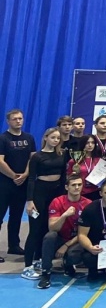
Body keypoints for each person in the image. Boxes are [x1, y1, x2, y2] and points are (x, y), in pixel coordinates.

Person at [23, 128, 66, 278]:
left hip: (55, 194)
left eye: (58, 138)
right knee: (35, 230)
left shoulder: (61, 154)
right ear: (46, 138)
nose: (56, 140)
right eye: (53, 137)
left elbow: (63, 177)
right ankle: (27, 266)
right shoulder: (37, 156)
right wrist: (29, 201)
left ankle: (39, 259)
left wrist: (62, 198)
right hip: (40, 193)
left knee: (47, 229)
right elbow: (31, 179)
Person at [0, 109, 36, 260]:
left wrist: (26, 174)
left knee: (16, 216)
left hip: (22, 183)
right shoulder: (3, 138)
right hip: (5, 184)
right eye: (15, 119)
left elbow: (32, 158)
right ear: (8, 121)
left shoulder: (29, 138)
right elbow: (0, 161)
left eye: (20, 118)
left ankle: (14, 245)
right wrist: (13, 176)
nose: (18, 121)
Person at [67, 136, 102, 201]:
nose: (90, 145)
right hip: (80, 192)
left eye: (92, 143)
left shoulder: (98, 160)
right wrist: (73, 174)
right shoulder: (74, 160)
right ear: (82, 144)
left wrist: (105, 177)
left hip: (95, 191)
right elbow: (68, 177)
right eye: (87, 143)